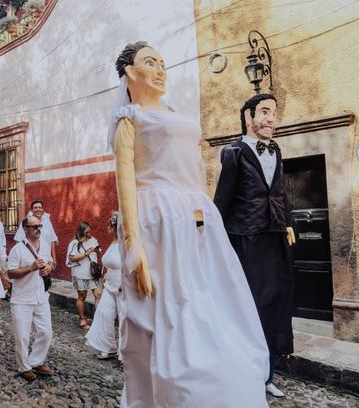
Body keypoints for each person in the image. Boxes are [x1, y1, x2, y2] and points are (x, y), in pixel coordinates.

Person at [109, 41, 269, 407]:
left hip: (197, 221)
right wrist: (134, 247)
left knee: (216, 307)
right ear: (130, 72)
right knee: (163, 320)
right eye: (150, 62)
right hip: (156, 221)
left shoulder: (177, 114)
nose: (161, 68)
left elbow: (195, 172)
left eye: (163, 62)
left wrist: (204, 215)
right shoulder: (130, 119)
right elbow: (125, 183)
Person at [214, 93, 296, 398]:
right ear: (249, 116)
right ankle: (245, 374)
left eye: (274, 113)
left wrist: (287, 222)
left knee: (276, 306)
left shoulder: (276, 150)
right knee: (249, 308)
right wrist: (213, 238)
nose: (271, 118)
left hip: (275, 236)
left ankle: (268, 375)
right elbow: (222, 200)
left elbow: (280, 192)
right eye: (264, 112)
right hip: (245, 239)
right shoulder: (233, 152)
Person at [7, 216, 54, 382]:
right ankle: (24, 366)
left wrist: (49, 267)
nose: (38, 229)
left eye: (39, 225)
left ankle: (36, 361)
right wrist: (30, 267)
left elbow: (50, 262)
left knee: (46, 332)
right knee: (22, 336)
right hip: (21, 298)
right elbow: (10, 273)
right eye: (34, 226)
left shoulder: (46, 246)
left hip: (41, 295)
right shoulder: (17, 249)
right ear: (25, 229)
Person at [86, 212, 123, 359]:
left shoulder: (125, 243)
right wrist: (107, 274)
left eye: (108, 226)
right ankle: (108, 346)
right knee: (104, 314)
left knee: (124, 318)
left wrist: (126, 282)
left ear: (114, 227)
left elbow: (131, 264)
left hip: (122, 286)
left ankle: (125, 355)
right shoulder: (113, 243)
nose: (106, 228)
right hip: (109, 284)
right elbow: (112, 263)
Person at [65, 221, 102, 329]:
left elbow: (99, 254)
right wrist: (85, 254)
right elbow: (71, 258)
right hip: (80, 273)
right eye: (87, 232)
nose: (89, 234)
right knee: (82, 296)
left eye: (90, 231)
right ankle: (82, 319)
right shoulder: (75, 243)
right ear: (81, 231)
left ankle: (98, 319)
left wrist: (97, 250)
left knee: (98, 294)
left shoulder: (93, 240)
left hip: (93, 273)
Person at [14, 200, 58, 270]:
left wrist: (54, 259)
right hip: (30, 258)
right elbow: (18, 241)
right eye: (35, 207)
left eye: (40, 207)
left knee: (45, 278)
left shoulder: (47, 222)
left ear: (42, 210)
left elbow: (52, 240)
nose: (38, 209)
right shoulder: (27, 223)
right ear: (31, 210)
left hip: (46, 258)